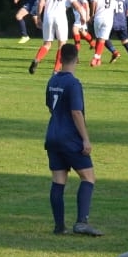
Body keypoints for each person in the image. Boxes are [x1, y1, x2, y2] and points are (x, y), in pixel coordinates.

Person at [43, 43, 101, 236]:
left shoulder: (52, 81)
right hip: (70, 138)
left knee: (58, 180)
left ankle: (59, 226)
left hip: (52, 136)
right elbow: (76, 112)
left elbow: (50, 107)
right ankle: (81, 222)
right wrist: (85, 139)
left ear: (60, 58)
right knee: (88, 177)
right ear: (77, 59)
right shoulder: (73, 83)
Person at [31, 0, 81, 75]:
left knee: (47, 44)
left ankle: (37, 59)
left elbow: (41, 4)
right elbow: (75, 4)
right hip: (61, 17)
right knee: (62, 44)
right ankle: (56, 70)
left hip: (48, 16)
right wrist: (82, 15)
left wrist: (39, 17)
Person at [88, 0, 118, 67]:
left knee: (99, 39)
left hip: (99, 17)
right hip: (108, 18)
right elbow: (114, 8)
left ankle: (96, 58)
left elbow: (93, 1)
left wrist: (92, 14)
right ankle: (97, 58)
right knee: (102, 39)